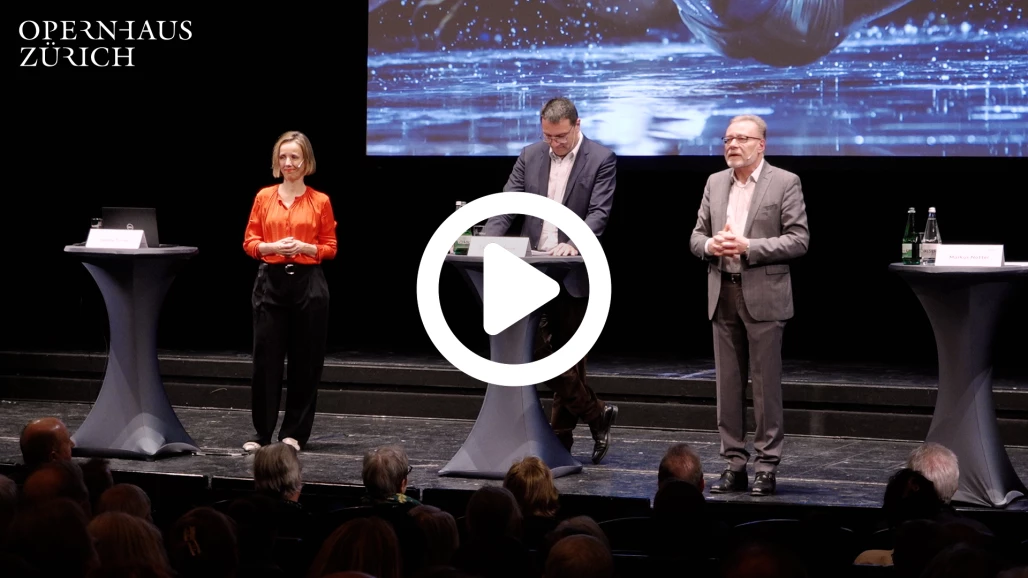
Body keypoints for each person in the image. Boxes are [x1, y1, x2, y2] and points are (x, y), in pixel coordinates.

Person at [480, 96, 618, 464]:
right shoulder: (531, 155)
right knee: (535, 350)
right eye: (548, 136)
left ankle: (561, 439)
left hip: (571, 271)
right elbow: (507, 203)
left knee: (570, 356)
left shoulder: (601, 159)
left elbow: (599, 214)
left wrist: (574, 243)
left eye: (560, 137)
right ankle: (597, 413)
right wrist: (486, 242)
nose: (554, 144)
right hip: (531, 270)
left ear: (577, 125)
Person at [689, 114, 809, 496]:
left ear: (761, 145)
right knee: (727, 386)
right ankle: (734, 464)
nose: (732, 145)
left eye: (741, 139)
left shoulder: (785, 182)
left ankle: (766, 466)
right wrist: (711, 245)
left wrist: (749, 247)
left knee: (765, 388)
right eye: (728, 139)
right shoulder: (715, 182)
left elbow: (799, 239)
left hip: (763, 293)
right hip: (722, 290)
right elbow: (696, 236)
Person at [242, 130, 337, 453]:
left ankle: (294, 432)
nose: (288, 162)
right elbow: (250, 242)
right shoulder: (264, 197)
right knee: (265, 361)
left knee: (305, 361)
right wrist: (272, 247)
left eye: (294, 156)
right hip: (270, 282)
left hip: (308, 284)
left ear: (306, 161)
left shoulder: (320, 201)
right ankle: (262, 433)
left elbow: (330, 247)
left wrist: (305, 247)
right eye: (283, 157)